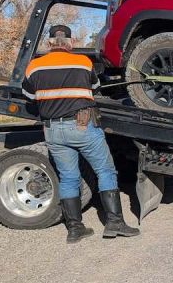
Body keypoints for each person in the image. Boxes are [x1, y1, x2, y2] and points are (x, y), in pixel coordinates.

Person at [21, 25, 140, 243]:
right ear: (70, 42)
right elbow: (94, 86)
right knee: (105, 171)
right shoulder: (83, 62)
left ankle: (75, 229)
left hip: (53, 130)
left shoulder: (34, 66)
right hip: (82, 126)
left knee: (68, 177)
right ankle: (115, 223)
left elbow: (28, 94)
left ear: (49, 43)